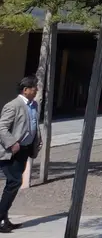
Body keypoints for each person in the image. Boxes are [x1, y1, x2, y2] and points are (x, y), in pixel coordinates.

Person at [0, 77, 41, 232]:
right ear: (25, 90)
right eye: (34, 87)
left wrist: (36, 141)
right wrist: (12, 143)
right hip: (11, 151)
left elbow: (33, 125)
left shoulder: (34, 105)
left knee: (14, 183)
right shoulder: (13, 105)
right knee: (14, 182)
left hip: (24, 150)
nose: (36, 90)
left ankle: (4, 219)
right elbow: (2, 127)